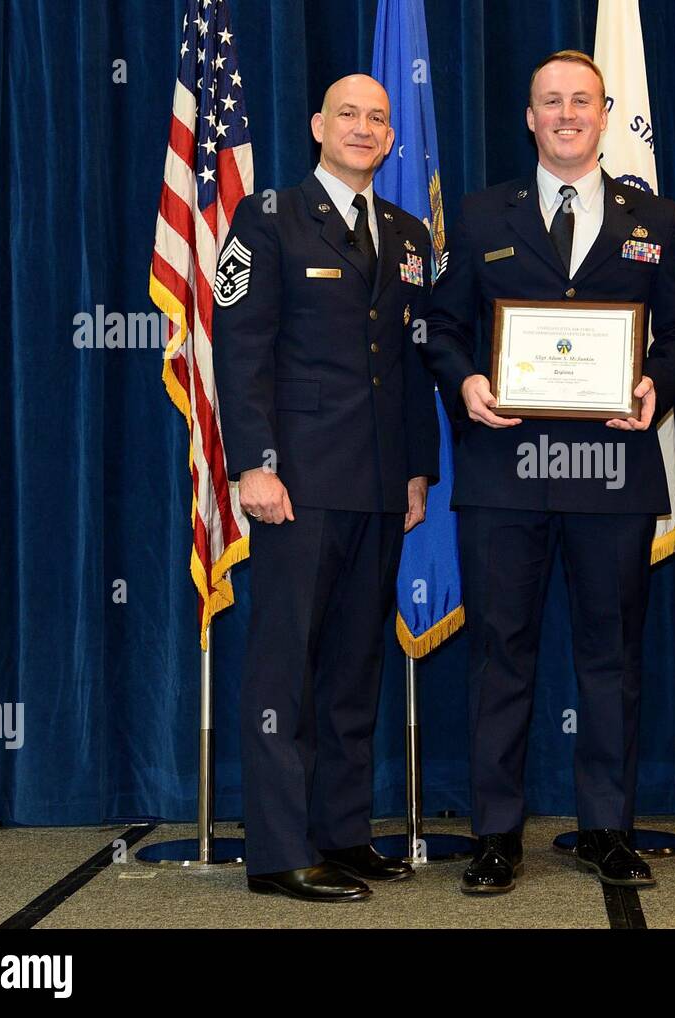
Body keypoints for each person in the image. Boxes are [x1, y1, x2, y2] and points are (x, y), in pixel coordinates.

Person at [422, 50, 675, 894]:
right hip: (505, 474)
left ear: (605, 112)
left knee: (611, 656)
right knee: (499, 655)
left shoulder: (658, 218)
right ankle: (495, 836)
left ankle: (607, 831)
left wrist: (659, 382)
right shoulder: (476, 217)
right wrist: (467, 380)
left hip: (612, 472)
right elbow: (439, 327)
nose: (567, 114)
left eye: (582, 100)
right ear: (531, 118)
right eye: (552, 101)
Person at [212, 74, 439, 902]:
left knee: (353, 669)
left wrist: (418, 468)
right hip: (297, 482)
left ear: (390, 139)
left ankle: (343, 834)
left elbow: (413, 365)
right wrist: (254, 463)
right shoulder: (268, 219)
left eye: (378, 119)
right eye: (348, 114)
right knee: (285, 671)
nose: (364, 128)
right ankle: (277, 850)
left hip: (380, 486)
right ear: (317, 125)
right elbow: (242, 348)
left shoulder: (410, 235)